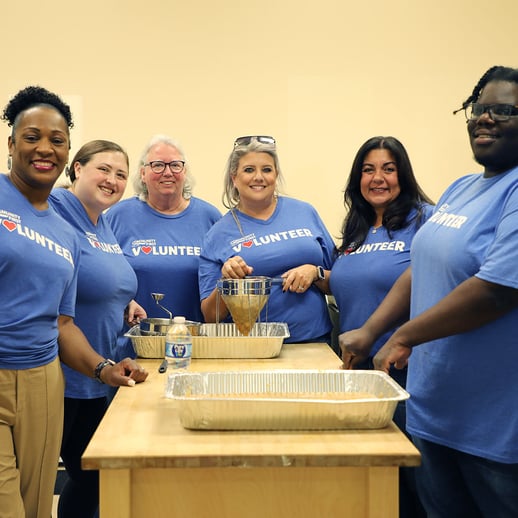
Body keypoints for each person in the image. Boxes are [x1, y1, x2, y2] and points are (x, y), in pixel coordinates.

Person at [341, 65, 518, 517]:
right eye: (479, 108)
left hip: (493, 425)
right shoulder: (462, 188)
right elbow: (420, 267)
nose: (485, 119)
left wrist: (403, 337)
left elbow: (497, 290)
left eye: (503, 110)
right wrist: (372, 330)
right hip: (432, 407)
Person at [0, 86, 148, 518]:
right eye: (31, 137)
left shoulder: (66, 233)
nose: (44, 148)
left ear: (66, 153)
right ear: (11, 143)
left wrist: (104, 368)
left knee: (35, 508)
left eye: (57, 140)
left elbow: (63, 324)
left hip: (45, 380)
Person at [330, 136, 433, 518]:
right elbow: (355, 281)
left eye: (388, 169)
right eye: (368, 170)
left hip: (406, 369)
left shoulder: (424, 219)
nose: (378, 178)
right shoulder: (357, 227)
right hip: (359, 371)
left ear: (402, 175)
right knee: (376, 480)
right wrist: (318, 274)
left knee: (415, 481)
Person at [48, 140, 147, 517]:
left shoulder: (101, 221)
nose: (112, 180)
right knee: (33, 484)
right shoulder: (56, 211)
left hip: (96, 376)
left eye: (121, 174)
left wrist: (123, 300)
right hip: (59, 375)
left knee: (91, 479)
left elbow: (97, 278)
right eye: (103, 169)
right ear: (76, 168)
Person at [199, 135, 334, 343]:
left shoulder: (305, 212)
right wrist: (227, 283)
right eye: (249, 170)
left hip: (314, 342)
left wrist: (315, 273)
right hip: (250, 349)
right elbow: (211, 317)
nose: (259, 177)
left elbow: (341, 280)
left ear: (276, 175)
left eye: (267, 169)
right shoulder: (217, 234)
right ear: (234, 177)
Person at [105, 134, 221, 342]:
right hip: (132, 346)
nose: (168, 172)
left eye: (175, 165)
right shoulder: (117, 216)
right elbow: (101, 275)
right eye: (157, 165)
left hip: (196, 344)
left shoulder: (210, 217)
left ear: (184, 172)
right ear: (143, 173)